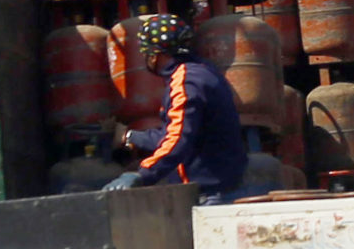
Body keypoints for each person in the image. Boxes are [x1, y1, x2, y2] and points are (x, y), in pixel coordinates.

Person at [103, 13, 247, 202]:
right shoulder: (203, 70)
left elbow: (179, 140)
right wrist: (130, 137)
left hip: (209, 194)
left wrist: (141, 175)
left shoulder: (186, 81)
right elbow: (177, 133)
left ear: (156, 54)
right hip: (222, 186)